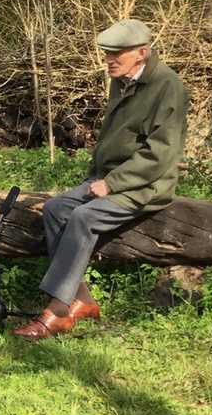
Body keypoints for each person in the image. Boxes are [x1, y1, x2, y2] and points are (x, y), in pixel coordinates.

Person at [12, 19, 189, 340]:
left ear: (142, 53)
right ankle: (82, 299)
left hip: (146, 186)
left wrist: (112, 183)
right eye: (106, 53)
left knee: (83, 217)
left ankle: (59, 310)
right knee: (55, 209)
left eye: (116, 54)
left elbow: (160, 154)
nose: (108, 60)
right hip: (108, 179)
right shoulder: (121, 79)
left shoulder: (167, 86)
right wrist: (99, 177)